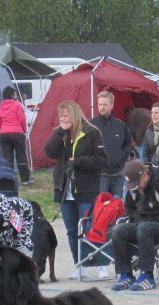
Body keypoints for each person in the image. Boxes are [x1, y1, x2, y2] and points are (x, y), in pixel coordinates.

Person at [44, 100, 107, 280]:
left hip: (86, 188)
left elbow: (102, 159)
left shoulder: (92, 132)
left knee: (88, 227)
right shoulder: (60, 134)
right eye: (61, 116)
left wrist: (79, 162)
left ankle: (101, 264)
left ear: (75, 115)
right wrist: (60, 133)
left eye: (66, 115)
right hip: (65, 190)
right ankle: (80, 265)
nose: (63, 119)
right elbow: (49, 152)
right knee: (72, 230)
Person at [110, 160, 159, 292]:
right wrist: (139, 219)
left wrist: (155, 219)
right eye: (131, 185)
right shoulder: (134, 190)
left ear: (145, 175)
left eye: (136, 183)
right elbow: (130, 210)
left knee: (144, 228)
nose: (135, 187)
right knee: (118, 230)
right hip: (144, 227)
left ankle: (147, 275)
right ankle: (126, 274)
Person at [90, 90, 132, 197]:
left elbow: (128, 144)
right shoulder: (91, 125)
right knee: (101, 207)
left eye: (105, 104)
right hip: (100, 175)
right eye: (100, 104)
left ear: (112, 105)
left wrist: (121, 156)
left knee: (116, 207)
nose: (102, 107)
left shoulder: (121, 125)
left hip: (118, 174)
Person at [0, 86, 32, 185]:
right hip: (17, 132)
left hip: (4, 133)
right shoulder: (17, 105)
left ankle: (9, 178)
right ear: (12, 94)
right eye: (15, 93)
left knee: (7, 157)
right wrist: (23, 130)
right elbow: (22, 119)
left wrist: (3, 129)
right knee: (21, 155)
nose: (16, 95)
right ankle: (25, 179)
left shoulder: (0, 106)